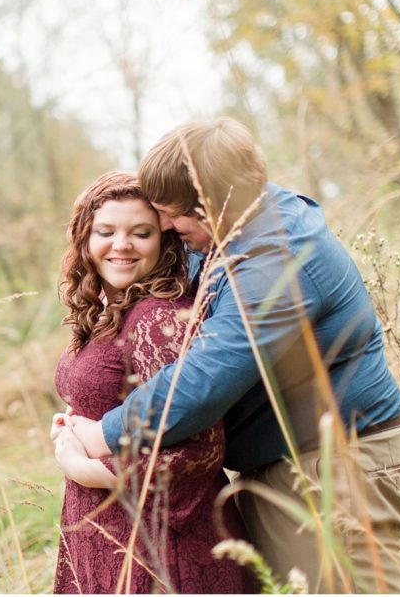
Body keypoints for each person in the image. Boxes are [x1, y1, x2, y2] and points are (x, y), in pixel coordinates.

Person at [68, 118, 400, 593]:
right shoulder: (228, 231)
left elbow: (204, 381)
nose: (167, 226)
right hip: (286, 465)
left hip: (338, 467)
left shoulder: (277, 257)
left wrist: (104, 434)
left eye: (173, 214)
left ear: (214, 203)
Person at [51, 170, 251, 594]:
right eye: (106, 231)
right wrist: (75, 424)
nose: (121, 245)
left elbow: (203, 449)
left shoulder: (160, 317)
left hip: (159, 544)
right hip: (107, 529)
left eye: (140, 233)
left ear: (163, 240)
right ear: (85, 237)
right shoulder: (111, 309)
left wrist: (90, 469)